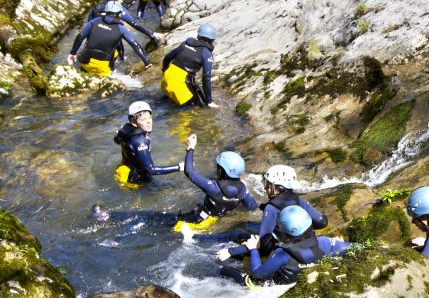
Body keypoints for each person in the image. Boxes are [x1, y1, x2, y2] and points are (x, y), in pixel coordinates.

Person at [96, 134, 257, 230]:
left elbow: (190, 172)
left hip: (194, 223)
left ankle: (108, 215)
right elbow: (251, 206)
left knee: (148, 217)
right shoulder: (242, 189)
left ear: (221, 170)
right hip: (210, 222)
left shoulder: (213, 187)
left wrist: (190, 148)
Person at [193, 165, 327, 256]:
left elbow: (263, 241)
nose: (265, 189)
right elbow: (322, 222)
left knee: (238, 232)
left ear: (277, 188)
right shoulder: (299, 200)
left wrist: (233, 252)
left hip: (278, 246)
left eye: (268, 185)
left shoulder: (272, 207)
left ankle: (197, 238)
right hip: (300, 240)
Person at [218, 206, 350, 287]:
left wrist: (253, 249)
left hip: (266, 289)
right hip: (295, 283)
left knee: (224, 270)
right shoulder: (324, 242)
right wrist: (339, 244)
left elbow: (258, 274)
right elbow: (355, 247)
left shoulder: (284, 252)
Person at [68, 1, 150, 76]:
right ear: (120, 14)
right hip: (103, 70)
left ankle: (83, 71)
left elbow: (81, 36)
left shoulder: (94, 21)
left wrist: (72, 53)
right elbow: (135, 45)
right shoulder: (121, 29)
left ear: (106, 12)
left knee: (86, 47)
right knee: (116, 51)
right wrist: (146, 62)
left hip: (85, 63)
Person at [112, 101, 181, 185]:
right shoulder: (139, 141)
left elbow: (116, 140)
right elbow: (151, 170)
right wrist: (179, 167)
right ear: (133, 122)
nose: (148, 122)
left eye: (149, 118)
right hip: (134, 180)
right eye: (143, 119)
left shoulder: (125, 129)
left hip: (124, 170)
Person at [161, 24, 217, 107]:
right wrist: (209, 101)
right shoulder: (206, 53)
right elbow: (206, 77)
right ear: (212, 40)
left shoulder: (185, 44)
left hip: (165, 81)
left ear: (198, 36)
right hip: (181, 85)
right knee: (198, 107)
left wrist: (164, 70)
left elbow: (168, 57)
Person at [88, 0, 158, 43]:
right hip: (107, 39)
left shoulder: (97, 6)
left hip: (93, 35)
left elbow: (89, 21)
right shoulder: (118, 8)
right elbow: (134, 24)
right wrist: (151, 33)